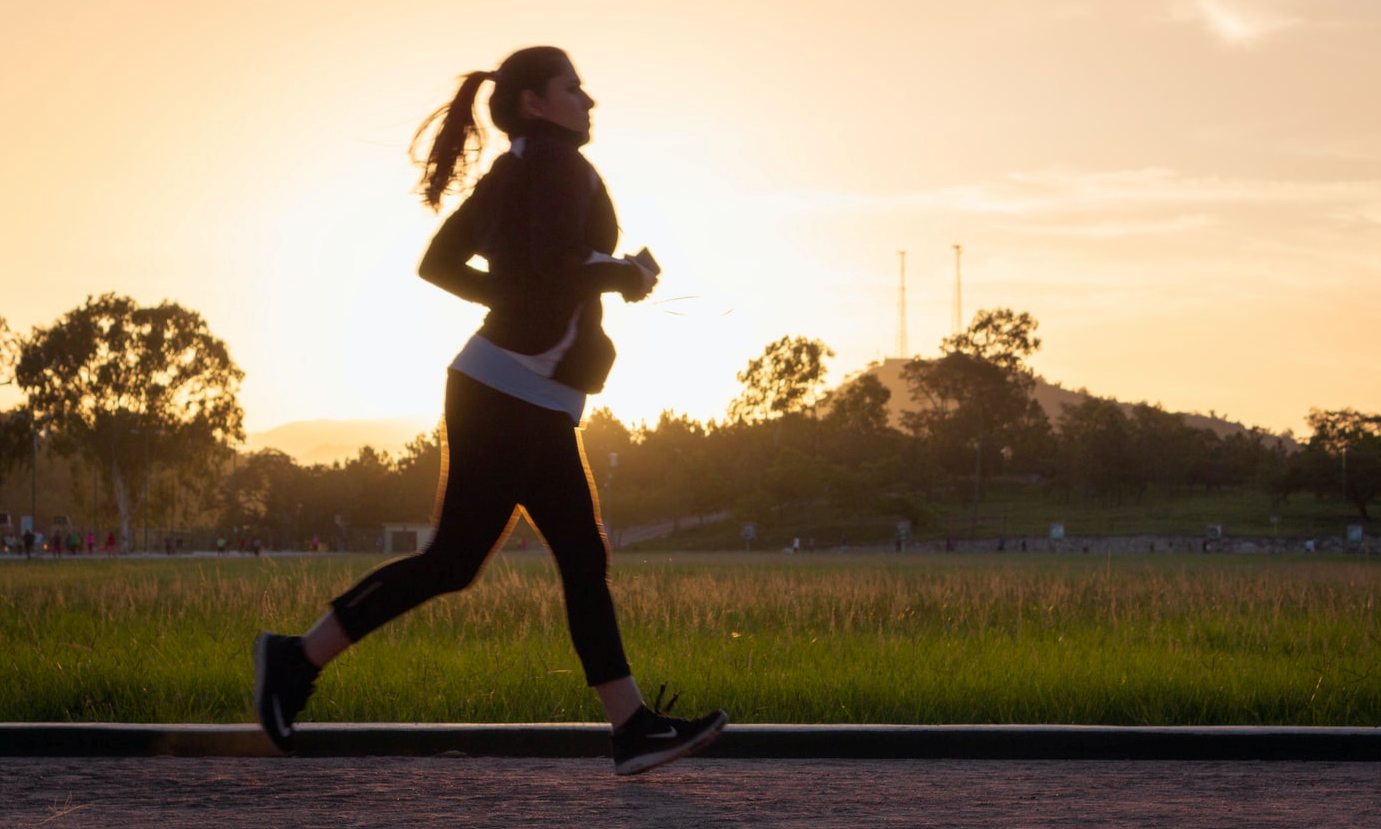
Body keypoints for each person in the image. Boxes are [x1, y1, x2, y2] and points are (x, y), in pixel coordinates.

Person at [254, 46, 726, 776]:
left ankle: (630, 726)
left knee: (569, 555)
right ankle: (293, 658)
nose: (588, 100)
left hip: (515, 389)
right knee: (467, 560)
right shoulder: (558, 169)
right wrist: (626, 274)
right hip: (507, 392)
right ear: (536, 102)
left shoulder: (514, 170)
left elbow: (441, 263)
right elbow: (550, 265)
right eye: (573, 87)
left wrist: (516, 302)